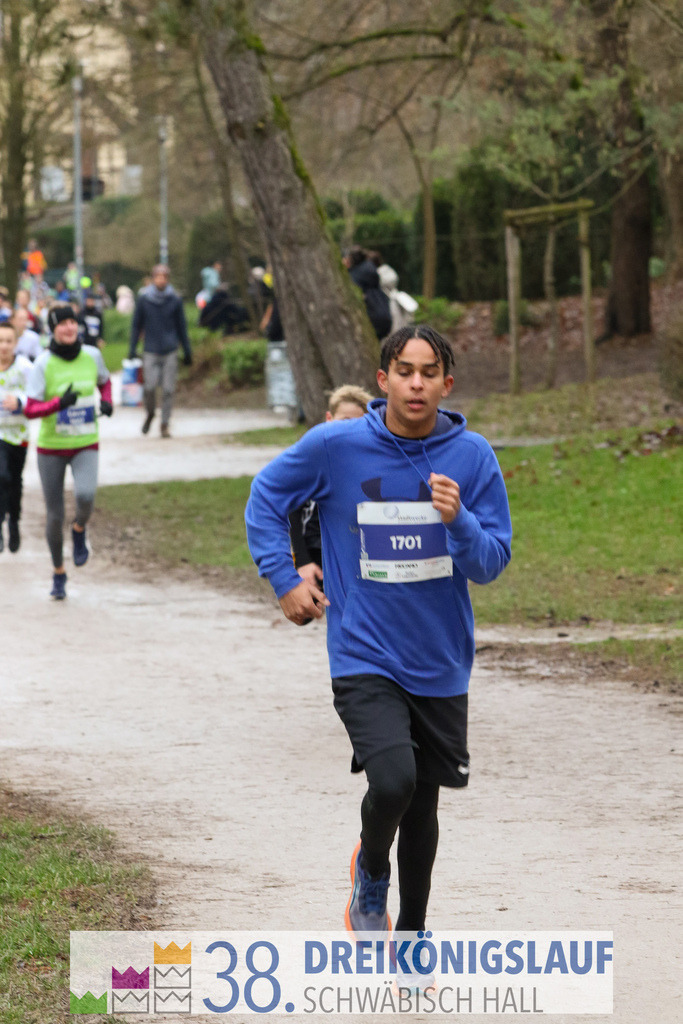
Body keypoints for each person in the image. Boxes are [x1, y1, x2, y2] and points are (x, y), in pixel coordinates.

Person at [245, 325, 511, 979]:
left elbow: (490, 562)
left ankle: (414, 936)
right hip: (362, 651)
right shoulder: (336, 446)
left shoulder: (472, 457)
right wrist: (284, 577)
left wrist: (459, 521)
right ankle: (370, 871)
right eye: (403, 370)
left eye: (429, 372)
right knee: (394, 779)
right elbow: (265, 496)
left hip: (441, 659)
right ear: (383, 378)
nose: (415, 382)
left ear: (447, 383)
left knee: (423, 802)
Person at [24, 304, 113, 600]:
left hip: (86, 441)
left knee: (86, 496)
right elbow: (31, 409)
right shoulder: (43, 364)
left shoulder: (93, 355)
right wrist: (58, 405)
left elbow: (105, 381)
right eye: (62, 324)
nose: (69, 328)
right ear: (53, 329)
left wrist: (107, 401)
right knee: (53, 515)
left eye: (72, 322)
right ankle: (59, 572)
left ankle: (79, 528)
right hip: (52, 448)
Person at [289, 384, 373, 587]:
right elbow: (293, 508)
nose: (349, 429)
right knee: (306, 616)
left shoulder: (370, 462)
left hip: (354, 552)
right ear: (329, 418)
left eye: (357, 423)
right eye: (344, 421)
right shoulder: (314, 456)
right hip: (315, 550)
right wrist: (303, 561)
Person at [128, 264, 192, 438]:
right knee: (149, 387)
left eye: (164, 277)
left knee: (168, 390)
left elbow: (182, 327)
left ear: (167, 279)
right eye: (158, 276)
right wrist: (132, 348)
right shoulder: (144, 299)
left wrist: (187, 350)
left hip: (170, 350)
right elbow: (136, 325)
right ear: (153, 278)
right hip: (150, 349)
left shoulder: (175, 300)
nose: (161, 280)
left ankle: (164, 424)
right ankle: (150, 414)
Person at [0, 321, 32, 553]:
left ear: (16, 343)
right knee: (1, 476)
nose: (4, 346)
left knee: (14, 480)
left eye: (8, 341)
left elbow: (37, 396)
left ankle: (14, 522)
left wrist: (20, 402)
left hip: (19, 434)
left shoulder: (24, 367)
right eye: (0, 341)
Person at [343, 245, 392, 341]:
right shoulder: (370, 270)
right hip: (385, 319)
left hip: (372, 320)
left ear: (349, 260)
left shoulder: (355, 276)